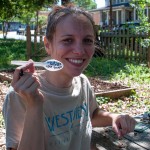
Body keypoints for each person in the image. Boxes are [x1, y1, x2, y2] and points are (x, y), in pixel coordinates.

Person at [3, 5, 136, 150]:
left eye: (87, 40)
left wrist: (113, 117)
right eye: (67, 40)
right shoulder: (19, 96)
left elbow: (90, 115)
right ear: (48, 45)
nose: (79, 51)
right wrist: (34, 104)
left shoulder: (82, 83)